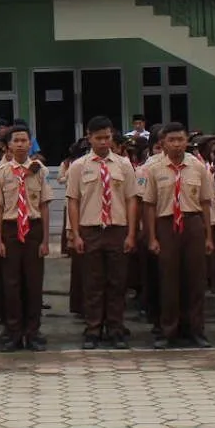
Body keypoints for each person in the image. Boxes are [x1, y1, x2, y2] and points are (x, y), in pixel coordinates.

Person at [66, 117, 138, 350]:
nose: (104, 142)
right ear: (89, 138)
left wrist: (130, 233)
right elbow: (73, 202)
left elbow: (130, 200)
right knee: (92, 282)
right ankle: (93, 328)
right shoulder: (78, 166)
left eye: (107, 137)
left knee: (117, 282)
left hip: (116, 228)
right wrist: (75, 234)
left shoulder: (124, 165)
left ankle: (115, 328)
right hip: (91, 229)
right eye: (98, 138)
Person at [142, 123, 215, 349]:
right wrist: (152, 237)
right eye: (171, 140)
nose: (176, 144)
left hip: (192, 222)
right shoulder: (154, 169)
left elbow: (205, 203)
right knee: (168, 280)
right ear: (162, 143)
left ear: (187, 141)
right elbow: (149, 205)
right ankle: (168, 331)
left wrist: (208, 236)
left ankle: (195, 330)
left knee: (195, 280)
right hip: (166, 224)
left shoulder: (197, 167)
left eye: (180, 140)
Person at [0, 125, 54, 352]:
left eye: (24, 140)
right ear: (8, 146)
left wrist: (46, 241)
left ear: (30, 144)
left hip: (34, 229)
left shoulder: (40, 170)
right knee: (11, 284)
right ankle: (14, 333)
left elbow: (44, 206)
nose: (19, 144)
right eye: (15, 140)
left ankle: (33, 332)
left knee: (34, 284)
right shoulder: (0, 172)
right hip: (10, 229)